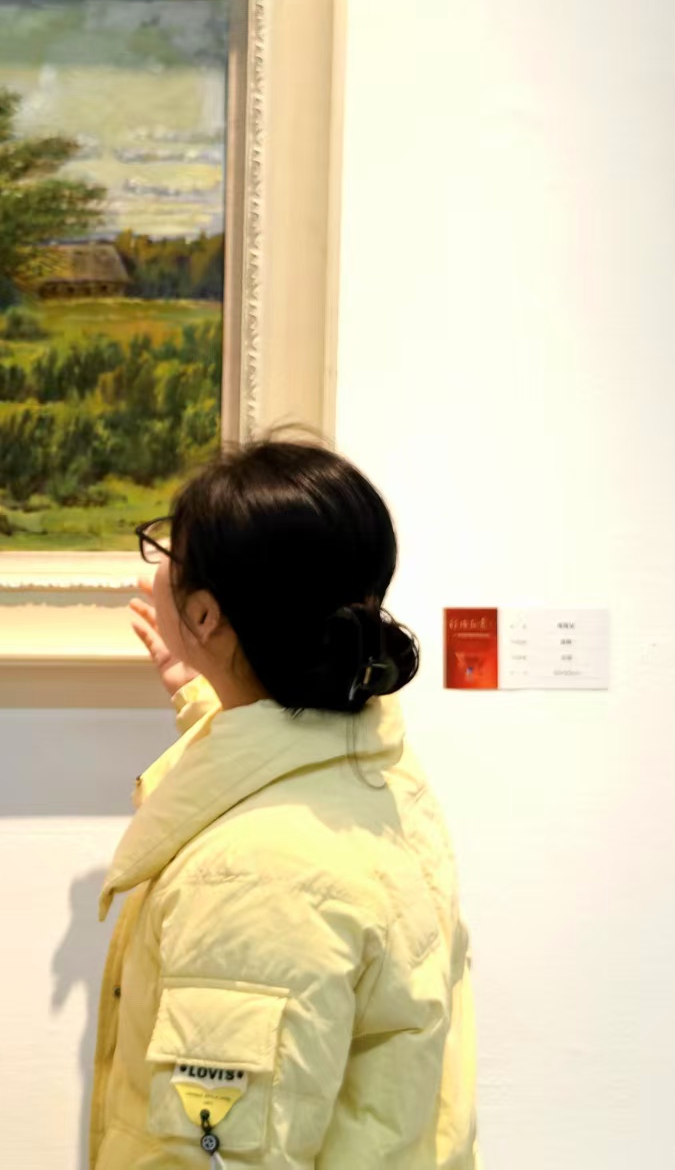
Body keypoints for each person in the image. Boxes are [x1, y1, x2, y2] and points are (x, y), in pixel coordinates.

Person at [93, 441, 478, 1168]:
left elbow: (216, 1156)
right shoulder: (371, 760)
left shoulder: (254, 876)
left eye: (169, 549)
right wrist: (210, 689)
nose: (157, 567)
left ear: (205, 613)